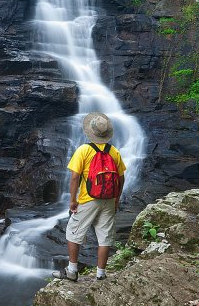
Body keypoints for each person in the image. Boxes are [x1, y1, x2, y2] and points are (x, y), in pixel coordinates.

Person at [52, 112, 126, 281]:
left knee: (73, 232)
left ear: (90, 132)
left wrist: (72, 200)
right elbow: (121, 178)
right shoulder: (114, 152)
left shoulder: (84, 150)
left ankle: (72, 270)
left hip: (88, 199)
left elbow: (75, 177)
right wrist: (117, 199)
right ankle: (101, 274)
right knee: (104, 236)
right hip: (108, 199)